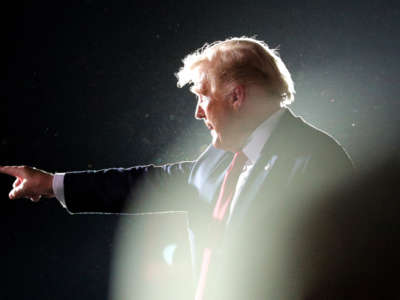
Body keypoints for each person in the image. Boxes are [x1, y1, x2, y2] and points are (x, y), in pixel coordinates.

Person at [1, 37, 353, 300]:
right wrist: (51, 183)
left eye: (202, 96)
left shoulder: (316, 160)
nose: (198, 112)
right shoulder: (222, 156)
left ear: (236, 96)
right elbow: (154, 183)